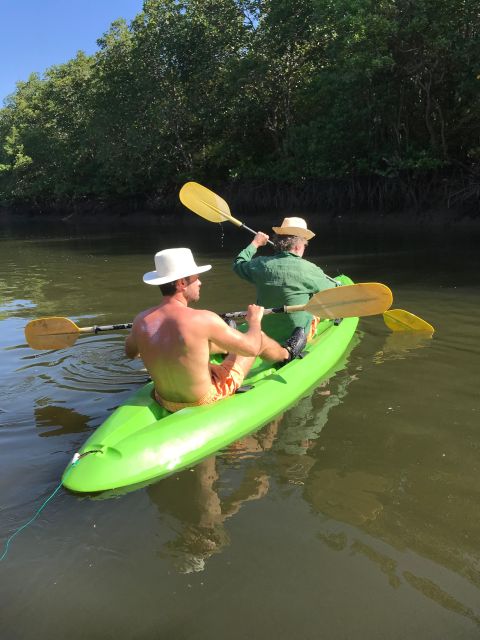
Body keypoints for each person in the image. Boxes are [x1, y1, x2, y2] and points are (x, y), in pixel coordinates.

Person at [125, 248, 300, 414]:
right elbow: (252, 348)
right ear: (181, 283)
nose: (200, 283)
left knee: (200, 343)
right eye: (196, 278)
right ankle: (287, 354)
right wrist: (254, 321)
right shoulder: (202, 318)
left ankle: (227, 342)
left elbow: (131, 353)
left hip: (163, 399)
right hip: (203, 399)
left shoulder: (141, 320)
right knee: (259, 338)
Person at [232, 216, 336, 345]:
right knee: (315, 305)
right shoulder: (310, 269)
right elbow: (334, 293)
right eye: (305, 245)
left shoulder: (260, 264)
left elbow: (238, 264)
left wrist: (255, 243)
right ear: (298, 247)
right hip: (297, 336)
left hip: (265, 332)